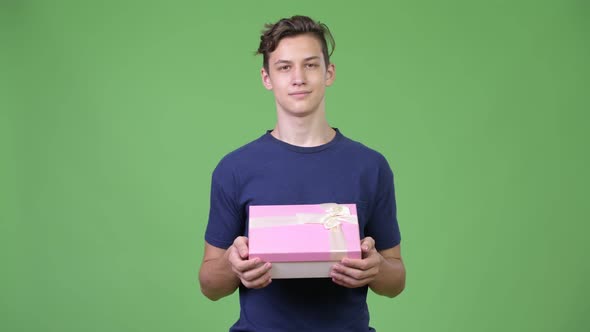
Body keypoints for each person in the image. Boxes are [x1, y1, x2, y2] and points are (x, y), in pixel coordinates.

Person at [199, 15, 406, 331]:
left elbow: (396, 280)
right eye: (284, 67)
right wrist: (232, 266)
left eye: (310, 65)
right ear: (267, 78)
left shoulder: (370, 166)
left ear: (329, 73)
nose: (298, 78)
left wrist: (376, 268)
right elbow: (210, 286)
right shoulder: (235, 169)